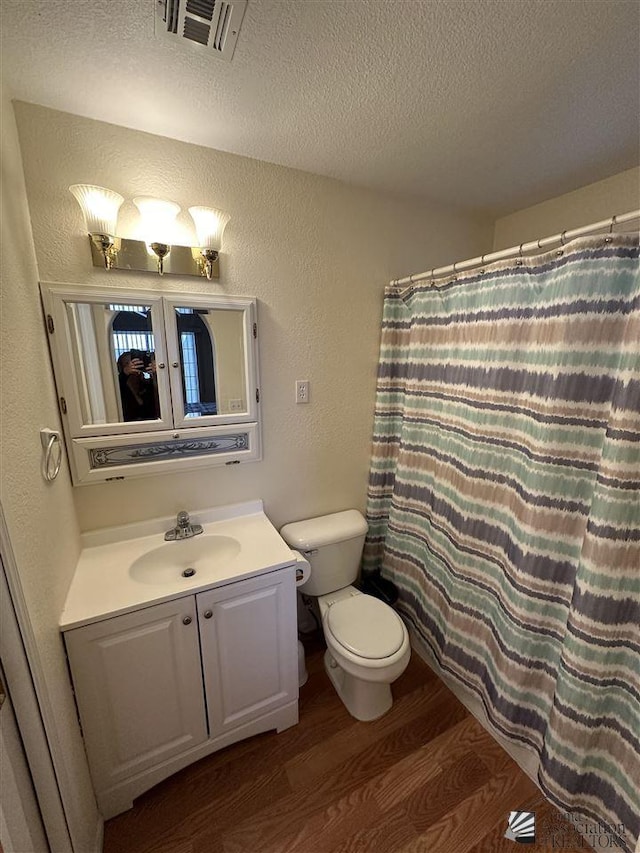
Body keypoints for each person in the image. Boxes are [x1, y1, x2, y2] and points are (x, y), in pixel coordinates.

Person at [117, 350, 160, 421]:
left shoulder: (147, 385)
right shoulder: (119, 387)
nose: (132, 366)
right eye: (127, 364)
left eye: (135, 363)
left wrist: (156, 375)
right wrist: (125, 373)